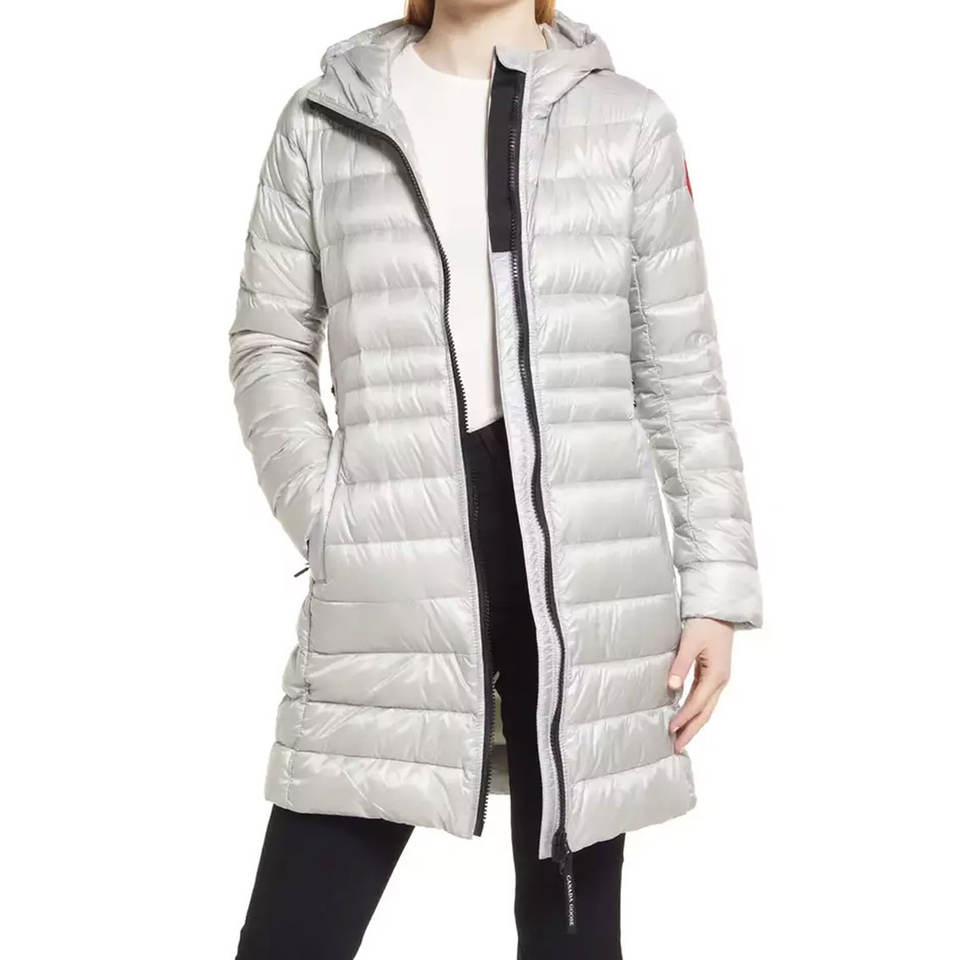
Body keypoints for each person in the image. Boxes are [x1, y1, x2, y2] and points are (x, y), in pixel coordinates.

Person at [229, 2, 762, 957]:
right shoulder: (325, 118)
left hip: (583, 574)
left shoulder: (628, 121)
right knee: (295, 929)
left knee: (570, 934)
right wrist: (333, 518)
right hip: (395, 564)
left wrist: (717, 588)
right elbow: (269, 342)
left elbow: (679, 368)